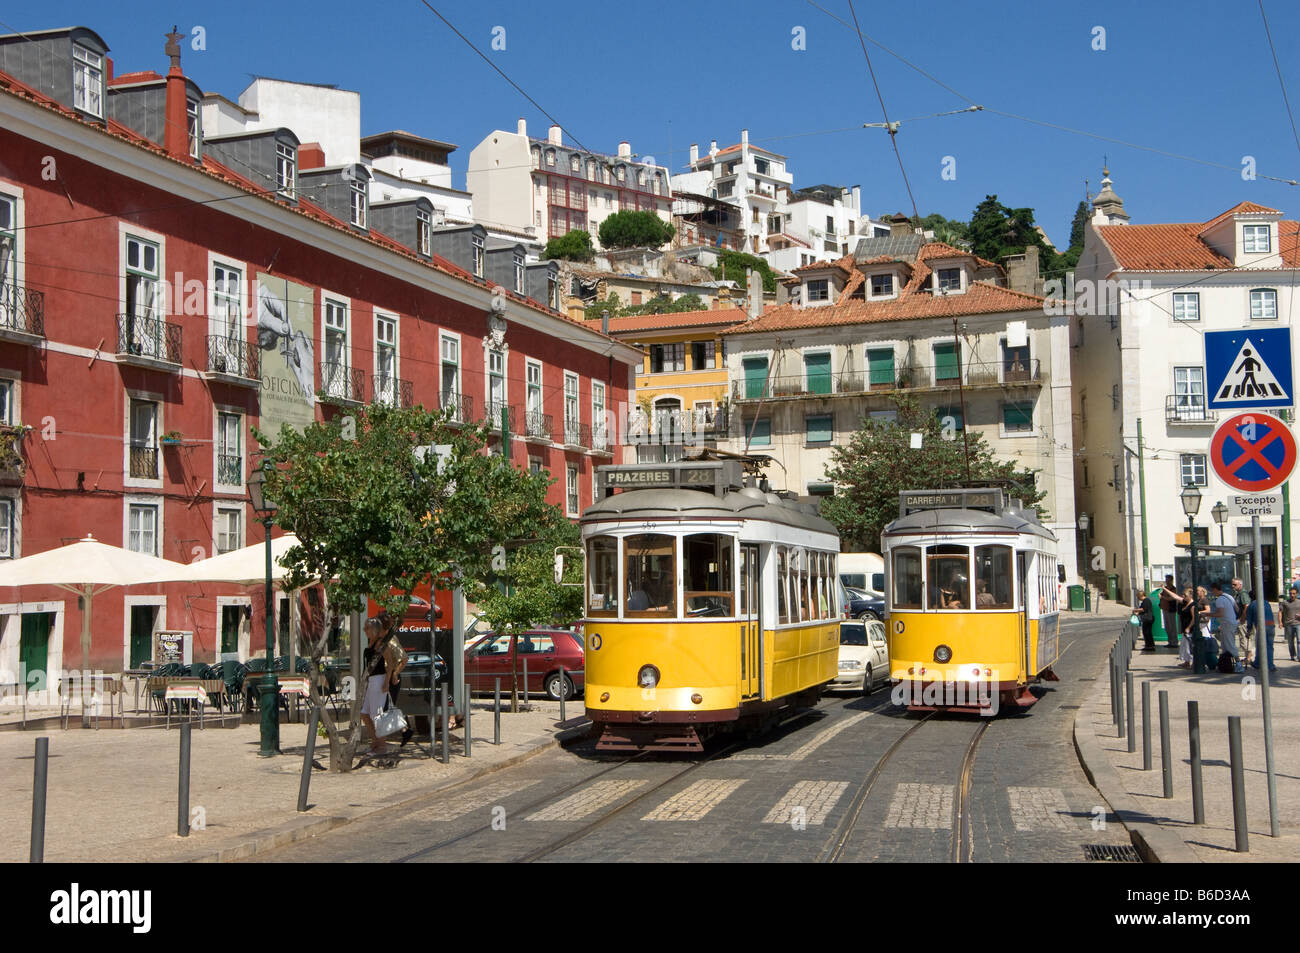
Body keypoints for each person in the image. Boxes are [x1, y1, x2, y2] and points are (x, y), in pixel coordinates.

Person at [360, 617, 399, 755]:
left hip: (378, 679)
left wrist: (386, 681)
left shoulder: (381, 644)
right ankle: (375, 742)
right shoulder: (371, 643)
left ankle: (381, 745)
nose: (364, 631)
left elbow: (390, 663)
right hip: (371, 681)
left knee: (377, 714)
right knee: (364, 713)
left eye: (367, 628)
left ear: (374, 629)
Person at [1244, 590, 1278, 673]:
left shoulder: (1251, 605)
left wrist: (1248, 631)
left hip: (1262, 627)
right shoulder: (1266, 603)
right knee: (1269, 646)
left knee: (1260, 646)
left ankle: (1258, 663)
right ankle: (1270, 665)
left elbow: (1249, 621)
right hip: (1271, 626)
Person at [1210, 582, 1240, 669]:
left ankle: (1238, 664)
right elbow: (1237, 609)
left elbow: (1220, 613)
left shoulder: (1219, 600)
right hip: (1231, 622)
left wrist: (1207, 614)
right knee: (1225, 645)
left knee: (1229, 644)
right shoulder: (1228, 596)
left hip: (1227, 623)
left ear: (1215, 589)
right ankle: (1226, 664)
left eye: (1212, 590)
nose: (1212, 592)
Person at [1158, 575, 1181, 649]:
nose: (1167, 582)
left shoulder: (1173, 589)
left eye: (1168, 580)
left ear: (1171, 580)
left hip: (1170, 610)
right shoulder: (1166, 588)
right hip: (1164, 609)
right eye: (1166, 580)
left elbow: (1172, 598)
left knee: (1172, 626)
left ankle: (1174, 642)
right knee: (1167, 627)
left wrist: (1163, 597)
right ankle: (1170, 641)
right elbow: (1162, 595)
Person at [1176, 586, 1196, 668]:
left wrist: (1188, 627)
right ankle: (1186, 662)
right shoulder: (1184, 603)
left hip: (1190, 629)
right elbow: (1176, 597)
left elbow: (1194, 618)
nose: (1183, 597)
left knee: (1189, 646)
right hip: (1184, 627)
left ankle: (1192, 662)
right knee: (1184, 646)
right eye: (1183, 595)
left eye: (1185, 595)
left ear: (1190, 596)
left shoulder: (1193, 605)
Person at [1281, 585, 1300, 661]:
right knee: (1291, 642)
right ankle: (1293, 655)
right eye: (1291, 593)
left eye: (1294, 593)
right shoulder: (1285, 603)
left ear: (1297, 594)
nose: (1292, 595)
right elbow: (1280, 612)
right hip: (1289, 624)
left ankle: (1299, 656)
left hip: (1298, 623)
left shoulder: (1299, 602)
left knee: (1299, 640)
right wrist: (1280, 622)